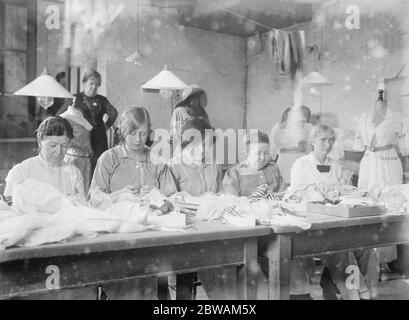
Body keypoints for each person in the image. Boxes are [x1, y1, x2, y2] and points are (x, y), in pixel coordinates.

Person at [289, 124, 371, 300]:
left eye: (331, 139)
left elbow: (341, 193)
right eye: (323, 140)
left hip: (334, 221)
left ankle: (335, 285)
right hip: (309, 225)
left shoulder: (335, 165)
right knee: (344, 251)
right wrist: (322, 195)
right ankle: (354, 294)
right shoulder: (300, 165)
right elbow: (297, 196)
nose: (328, 144)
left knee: (364, 246)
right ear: (313, 141)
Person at [354, 90, 409, 276]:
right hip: (368, 161)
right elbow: (357, 144)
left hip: (389, 162)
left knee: (390, 204)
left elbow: (405, 147)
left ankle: (386, 260)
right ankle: (367, 259)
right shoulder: (362, 118)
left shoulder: (399, 118)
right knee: (367, 203)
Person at [90, 107, 176, 203]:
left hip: (152, 216)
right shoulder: (108, 158)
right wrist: (117, 197)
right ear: (123, 131)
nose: (138, 139)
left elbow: (174, 200)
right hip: (116, 216)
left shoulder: (157, 161)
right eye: (133, 133)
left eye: (143, 133)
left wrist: (159, 195)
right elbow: (94, 198)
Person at [4, 116, 85, 201]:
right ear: (40, 142)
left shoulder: (74, 173)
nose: (59, 151)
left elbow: (82, 208)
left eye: (64, 146)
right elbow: (8, 208)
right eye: (53, 145)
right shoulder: (21, 171)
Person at [58, 69, 118, 173]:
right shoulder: (74, 99)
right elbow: (59, 117)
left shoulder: (102, 100)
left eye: (97, 84)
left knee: (98, 168)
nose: (94, 87)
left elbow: (113, 113)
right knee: (80, 169)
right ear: (84, 83)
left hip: (99, 139)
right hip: (80, 140)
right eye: (91, 83)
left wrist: (106, 126)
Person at [223, 130, 284, 197]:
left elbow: (283, 193)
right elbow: (232, 200)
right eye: (258, 153)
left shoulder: (274, 169)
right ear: (247, 153)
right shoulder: (234, 173)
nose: (263, 157)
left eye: (266, 153)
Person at [270, 105, 313, 185]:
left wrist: (306, 146)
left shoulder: (309, 128)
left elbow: (313, 148)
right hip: (284, 164)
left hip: (302, 163)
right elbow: (272, 153)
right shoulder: (277, 129)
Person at [60, 98, 93, 194]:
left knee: (83, 191)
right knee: (70, 190)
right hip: (71, 158)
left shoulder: (83, 119)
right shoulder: (64, 118)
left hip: (85, 160)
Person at [170, 85, 210, 151]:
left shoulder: (203, 113)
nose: (200, 99)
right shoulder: (179, 112)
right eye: (197, 97)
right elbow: (174, 136)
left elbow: (209, 132)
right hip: (183, 152)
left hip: (201, 152)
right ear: (191, 98)